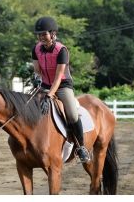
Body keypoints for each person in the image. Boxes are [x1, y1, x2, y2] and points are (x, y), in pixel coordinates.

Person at [31, 16, 90, 163]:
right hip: (44, 85)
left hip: (63, 85)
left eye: (44, 34)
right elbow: (37, 70)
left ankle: (81, 147)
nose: (41, 37)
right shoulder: (36, 49)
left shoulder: (61, 50)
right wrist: (36, 77)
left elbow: (58, 77)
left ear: (53, 34)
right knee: (28, 106)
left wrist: (50, 95)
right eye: (39, 35)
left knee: (71, 114)